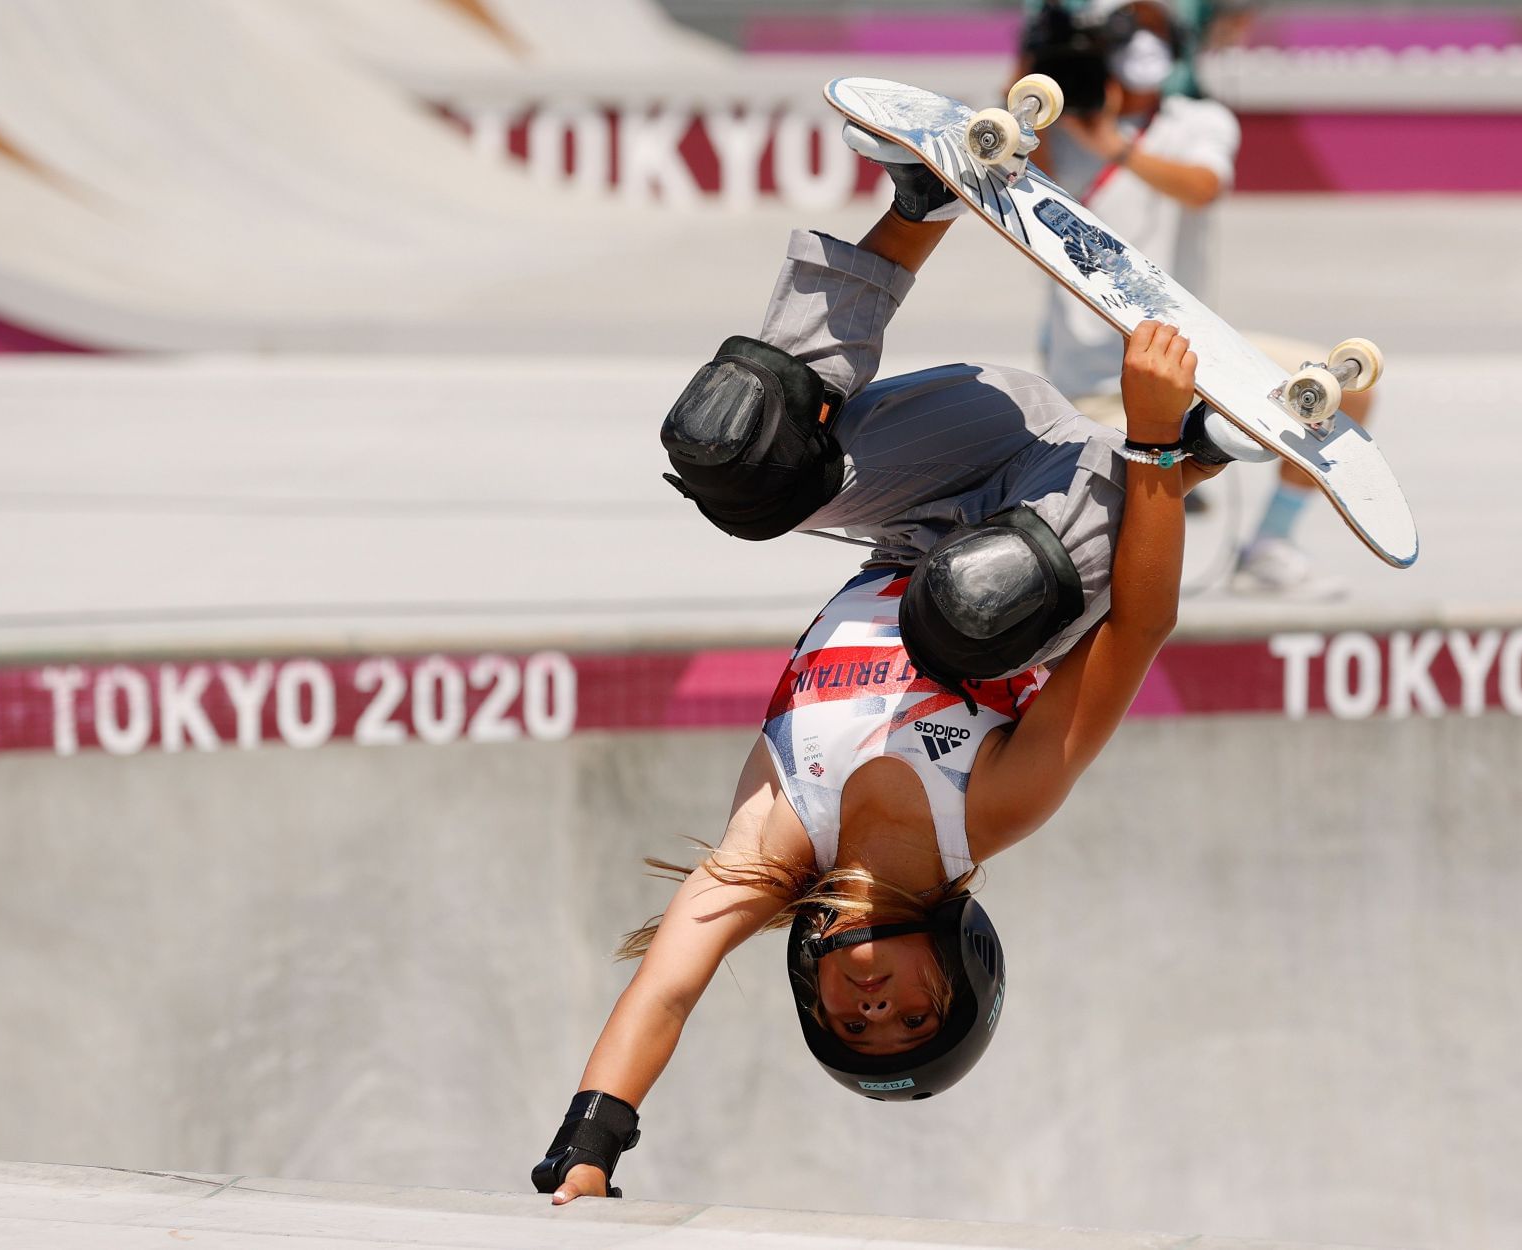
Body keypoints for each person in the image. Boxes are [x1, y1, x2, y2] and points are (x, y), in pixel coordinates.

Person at [530, 130, 1268, 1203]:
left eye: (852, 1017)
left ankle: (918, 208)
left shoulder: (766, 847)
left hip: (950, 465)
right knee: (972, 610)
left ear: (811, 989)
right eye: (910, 1012)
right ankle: (1197, 441)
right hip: (1072, 518)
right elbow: (1134, 634)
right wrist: (1156, 457)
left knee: (732, 448)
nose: (872, 997)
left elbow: (668, 988)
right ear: (958, 970)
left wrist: (585, 1158)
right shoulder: (994, 808)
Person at [1022, 0, 1381, 600]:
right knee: (1098, 551)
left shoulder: (1201, 121)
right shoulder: (1059, 129)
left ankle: (1269, 545)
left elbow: (1204, 186)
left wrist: (1117, 147)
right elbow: (1007, 152)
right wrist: (1040, 77)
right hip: (1089, 374)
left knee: (1344, 388)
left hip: (1194, 357)